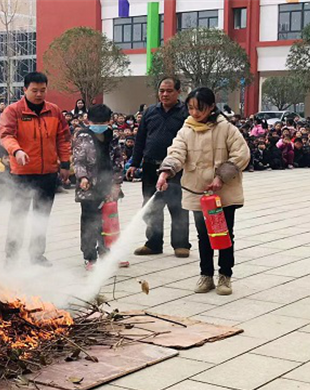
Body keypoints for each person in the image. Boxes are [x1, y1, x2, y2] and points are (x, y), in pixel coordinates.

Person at [156, 87, 250, 296]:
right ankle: (205, 275)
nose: (195, 113)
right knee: (203, 236)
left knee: (225, 235)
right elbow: (176, 152)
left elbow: (241, 155)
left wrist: (220, 177)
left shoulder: (226, 129)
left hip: (224, 193)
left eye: (199, 109)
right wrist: (165, 172)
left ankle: (225, 276)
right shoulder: (186, 130)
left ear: (211, 107)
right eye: (190, 108)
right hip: (199, 191)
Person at [0, 72, 71, 267]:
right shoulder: (13, 111)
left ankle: (37, 255)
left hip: (48, 172)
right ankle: (11, 256)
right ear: (25, 89)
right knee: (18, 216)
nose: (39, 94)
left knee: (42, 216)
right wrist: (17, 151)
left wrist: (65, 164)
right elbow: (6, 135)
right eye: (34, 90)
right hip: (22, 173)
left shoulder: (54, 111)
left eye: (43, 90)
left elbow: (63, 139)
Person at [127, 77, 191, 258]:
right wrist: (134, 163)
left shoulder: (185, 113)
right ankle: (153, 243)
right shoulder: (150, 112)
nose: (164, 94)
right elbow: (140, 140)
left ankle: (181, 244)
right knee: (151, 206)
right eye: (161, 90)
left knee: (178, 206)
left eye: (169, 91)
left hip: (176, 168)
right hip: (150, 166)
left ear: (178, 92)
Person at [72, 104, 125, 271]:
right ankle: (89, 257)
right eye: (96, 122)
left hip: (107, 184)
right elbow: (78, 160)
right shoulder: (82, 136)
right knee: (89, 221)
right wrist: (82, 177)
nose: (99, 125)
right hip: (88, 186)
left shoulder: (113, 137)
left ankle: (107, 252)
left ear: (109, 121)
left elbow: (118, 161)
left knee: (108, 221)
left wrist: (116, 183)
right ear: (89, 120)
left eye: (103, 122)